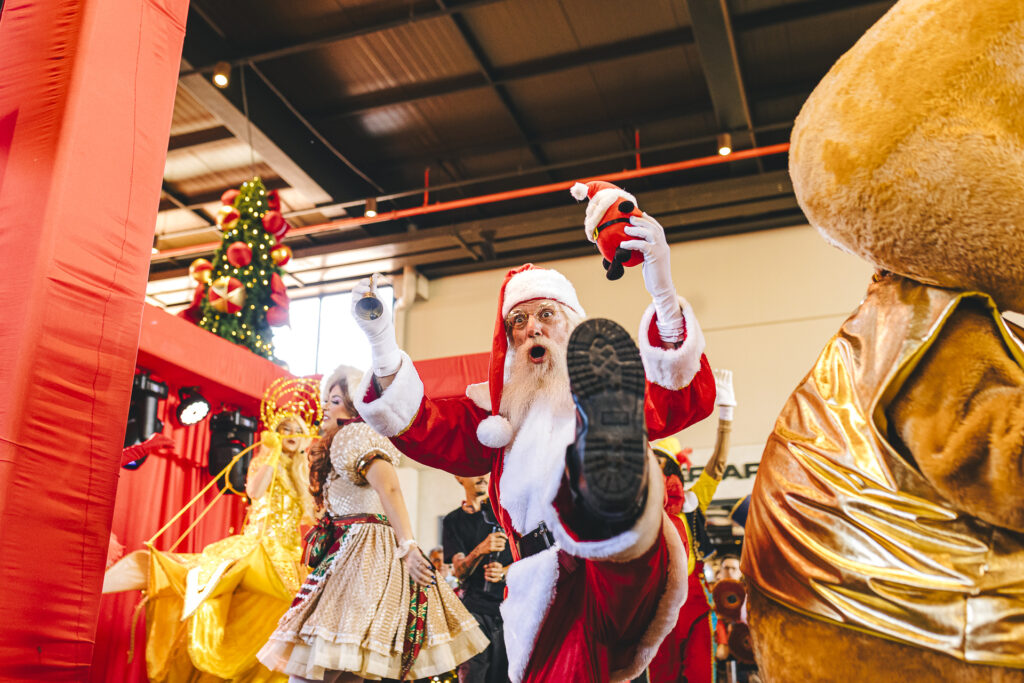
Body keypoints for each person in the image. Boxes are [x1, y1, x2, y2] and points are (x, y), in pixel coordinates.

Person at [349, 203, 715, 683]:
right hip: (541, 584)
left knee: (620, 552)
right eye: (518, 322)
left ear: (572, 324)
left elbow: (683, 397)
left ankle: (611, 491)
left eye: (546, 314)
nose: (532, 328)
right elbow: (426, 426)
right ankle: (609, 489)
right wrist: (381, 345)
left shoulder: (608, 387)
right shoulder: (496, 419)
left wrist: (663, 293)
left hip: (608, 561)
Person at [258, 365, 487, 683]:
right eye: (326, 399)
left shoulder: (354, 433)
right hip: (358, 556)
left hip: (362, 560)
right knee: (352, 664)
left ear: (354, 407)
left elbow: (389, 485)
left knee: (318, 660)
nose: (325, 406)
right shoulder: (342, 441)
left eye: (335, 399)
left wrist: (408, 545)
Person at [102, 376, 321, 682]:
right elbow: (256, 492)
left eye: (298, 430)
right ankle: (149, 577)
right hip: (256, 546)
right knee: (202, 581)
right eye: (285, 428)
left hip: (288, 559)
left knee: (284, 616)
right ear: (275, 432)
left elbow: (312, 516)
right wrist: (270, 453)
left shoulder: (303, 475)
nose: (291, 434)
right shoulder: (262, 461)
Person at [647, 369, 736, 683]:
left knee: (701, 675)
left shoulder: (692, 501)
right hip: (656, 607)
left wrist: (726, 414)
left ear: (672, 469)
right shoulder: (638, 511)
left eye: (659, 464)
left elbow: (718, 465)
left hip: (695, 602)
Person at [443, 474, 514, 683]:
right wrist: (481, 549)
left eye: (484, 470)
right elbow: (458, 571)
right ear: (458, 477)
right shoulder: (453, 521)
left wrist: (505, 571)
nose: (482, 476)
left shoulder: (506, 514)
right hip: (475, 612)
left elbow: (532, 558)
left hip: (510, 611)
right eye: (473, 471)